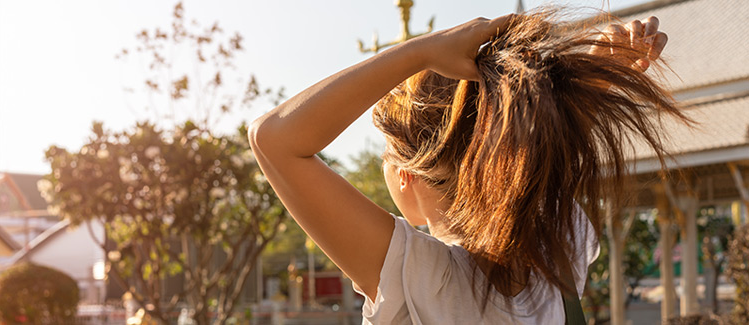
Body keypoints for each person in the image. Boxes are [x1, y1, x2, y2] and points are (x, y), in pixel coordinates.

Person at [249, 9, 688, 324]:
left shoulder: (420, 279)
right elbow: (534, 167)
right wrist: (587, 86)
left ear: (408, 174)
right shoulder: (556, 258)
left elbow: (272, 139)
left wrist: (417, 53)